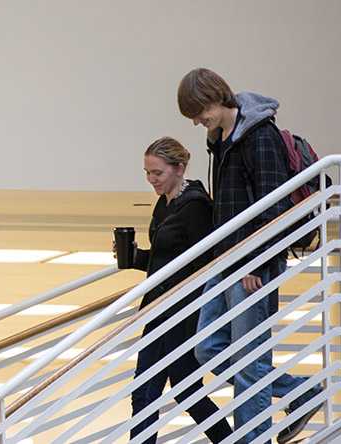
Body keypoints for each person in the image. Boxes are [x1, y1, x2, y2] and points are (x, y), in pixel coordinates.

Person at [178, 67, 323, 444]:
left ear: (215, 96)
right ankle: (301, 390)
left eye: (199, 112)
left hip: (252, 263)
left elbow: (273, 207)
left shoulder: (259, 135)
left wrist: (255, 262)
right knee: (208, 348)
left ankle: (251, 438)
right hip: (227, 259)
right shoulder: (220, 137)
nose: (197, 121)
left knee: (250, 362)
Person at [123, 136, 233, 444]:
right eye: (147, 172)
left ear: (179, 168)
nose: (151, 180)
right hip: (160, 305)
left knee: (145, 390)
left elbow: (206, 262)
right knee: (186, 389)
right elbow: (167, 259)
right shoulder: (164, 203)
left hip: (179, 311)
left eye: (157, 173)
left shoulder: (196, 205)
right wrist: (136, 258)